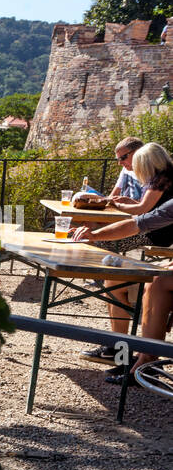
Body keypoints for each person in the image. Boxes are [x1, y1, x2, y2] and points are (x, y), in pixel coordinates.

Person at [73, 143, 173, 382]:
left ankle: (143, 360)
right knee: (113, 276)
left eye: (125, 160)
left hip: (155, 236)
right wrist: (96, 231)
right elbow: (141, 218)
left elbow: (141, 216)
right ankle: (123, 352)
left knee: (152, 281)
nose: (122, 164)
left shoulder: (163, 179)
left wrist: (96, 234)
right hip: (151, 232)